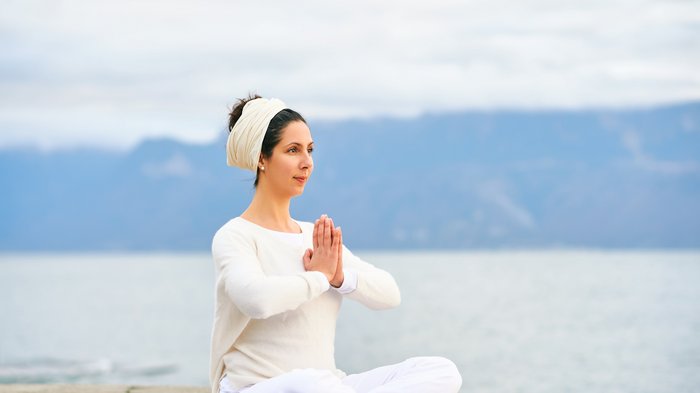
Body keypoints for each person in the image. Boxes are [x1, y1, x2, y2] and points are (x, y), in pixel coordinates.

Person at [210, 94, 462, 393]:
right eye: (293, 150)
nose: (307, 163)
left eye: (310, 150)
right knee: (313, 382)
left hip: (327, 385)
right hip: (257, 387)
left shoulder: (315, 238)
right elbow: (257, 300)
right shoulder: (236, 235)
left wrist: (340, 277)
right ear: (261, 159)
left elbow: (390, 294)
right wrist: (319, 277)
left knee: (441, 371)